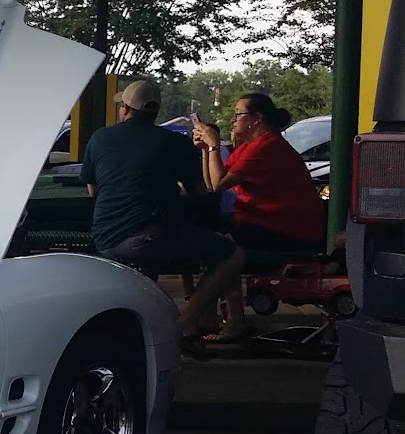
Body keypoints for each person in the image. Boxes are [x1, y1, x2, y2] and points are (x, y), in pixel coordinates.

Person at [79, 78, 244, 342]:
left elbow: (93, 191)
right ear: (154, 112)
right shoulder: (173, 142)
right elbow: (201, 193)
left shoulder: (100, 138)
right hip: (150, 237)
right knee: (233, 254)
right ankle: (186, 318)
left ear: (125, 109)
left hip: (104, 238)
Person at [191, 92, 326, 341]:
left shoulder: (267, 146)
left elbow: (218, 183)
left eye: (238, 114)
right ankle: (215, 317)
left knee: (222, 248)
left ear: (256, 119)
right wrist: (204, 150)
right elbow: (213, 183)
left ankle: (230, 320)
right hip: (265, 222)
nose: (233, 120)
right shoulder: (254, 146)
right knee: (213, 238)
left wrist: (213, 146)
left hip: (286, 227)